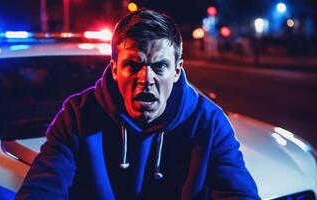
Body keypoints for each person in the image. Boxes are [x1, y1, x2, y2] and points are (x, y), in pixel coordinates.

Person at [16, 9, 260, 200]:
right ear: (114, 69)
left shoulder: (210, 123)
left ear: (176, 71)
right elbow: (42, 188)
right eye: (133, 66)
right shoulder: (78, 116)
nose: (146, 79)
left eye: (159, 66)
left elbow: (237, 193)